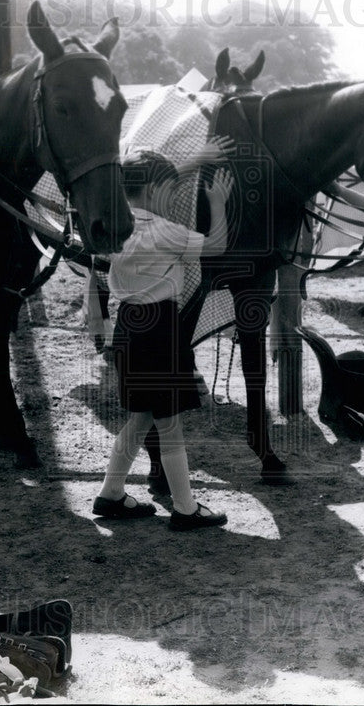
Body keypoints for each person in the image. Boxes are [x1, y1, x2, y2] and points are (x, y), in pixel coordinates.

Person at [92, 140, 234, 531]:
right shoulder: (167, 231)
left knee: (139, 419)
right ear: (155, 191)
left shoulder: (115, 228)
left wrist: (190, 164)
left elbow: (148, 184)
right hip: (161, 330)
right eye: (171, 193)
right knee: (169, 424)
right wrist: (218, 203)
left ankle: (111, 493)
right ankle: (186, 509)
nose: (174, 200)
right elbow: (217, 246)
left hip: (128, 328)